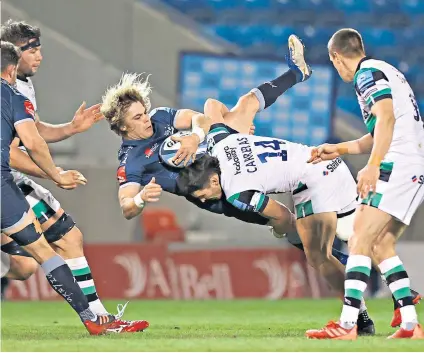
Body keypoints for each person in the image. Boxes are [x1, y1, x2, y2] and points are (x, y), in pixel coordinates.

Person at [101, 35, 377, 335]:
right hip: (217, 191)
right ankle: (336, 263)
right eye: (138, 118)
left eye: (145, 112)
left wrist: (196, 135)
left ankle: (297, 73)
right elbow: (127, 206)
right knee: (288, 223)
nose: (147, 121)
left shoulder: (159, 118)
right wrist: (141, 198)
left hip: (225, 153)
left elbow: (202, 114)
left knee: (245, 104)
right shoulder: (132, 163)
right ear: (123, 127)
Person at [0, 19, 148, 333]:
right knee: (59, 243)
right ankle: (99, 319)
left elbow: (31, 129)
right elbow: (11, 150)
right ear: (13, 56)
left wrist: (70, 128)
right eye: (31, 50)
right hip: (7, 181)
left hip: (10, 180)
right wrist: (54, 174)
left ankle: (100, 318)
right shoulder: (9, 90)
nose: (39, 55)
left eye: (39, 48)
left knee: (27, 265)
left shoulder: (20, 87)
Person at [305, 28, 424, 340]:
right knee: (380, 244)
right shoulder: (387, 70)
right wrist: (340, 149)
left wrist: (372, 167)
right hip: (412, 162)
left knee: (359, 237)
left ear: (336, 57)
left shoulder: (366, 75)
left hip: (398, 163)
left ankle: (347, 324)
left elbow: (386, 119)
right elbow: (378, 131)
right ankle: (411, 325)